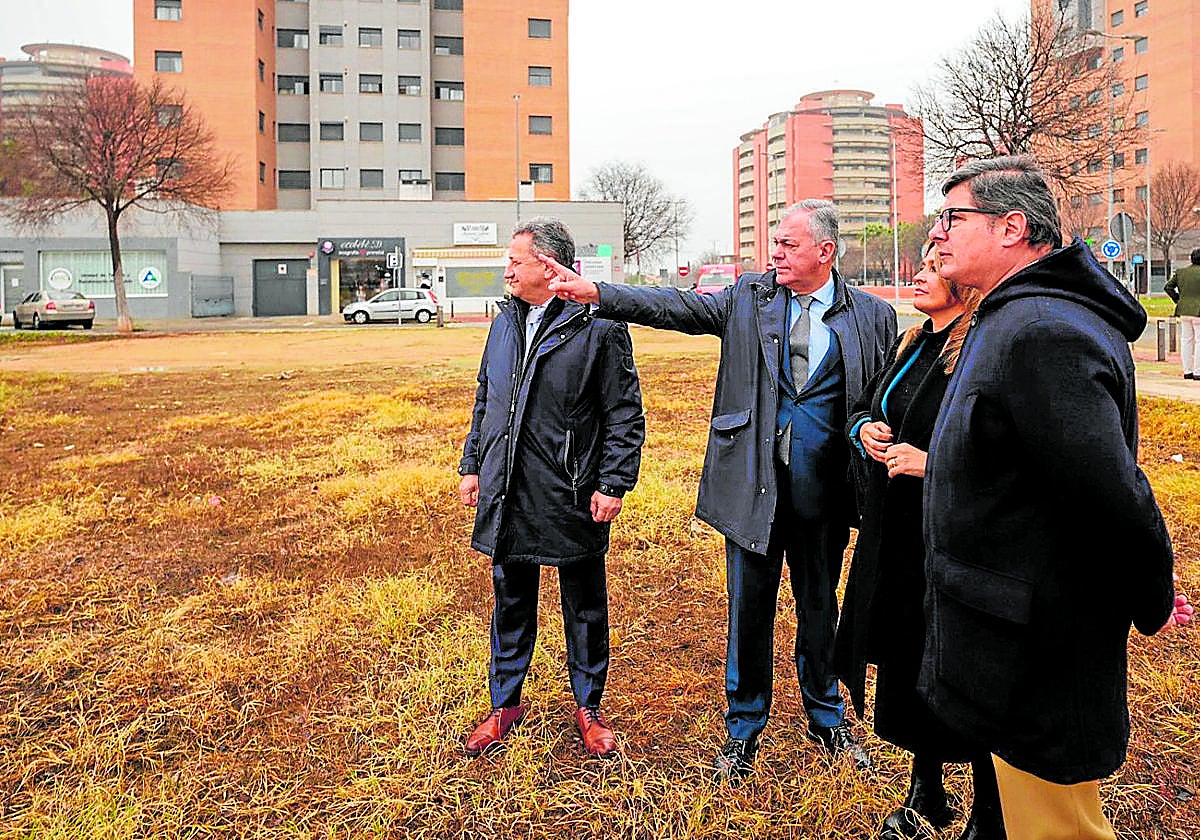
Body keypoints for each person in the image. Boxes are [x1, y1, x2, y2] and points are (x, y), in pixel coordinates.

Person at [540, 200, 896, 781]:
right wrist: (598, 293)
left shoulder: (872, 316)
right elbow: (675, 306)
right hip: (751, 490)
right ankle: (743, 728)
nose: (775, 253)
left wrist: (867, 430)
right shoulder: (749, 298)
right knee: (748, 613)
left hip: (825, 496)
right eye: (775, 243)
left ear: (825, 252)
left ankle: (827, 717)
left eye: (788, 244)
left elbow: (878, 396)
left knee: (819, 609)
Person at [918, 155, 1190, 840]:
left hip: (1037, 647)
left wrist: (1152, 594)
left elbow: (1110, 491)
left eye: (952, 217)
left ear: (1012, 227)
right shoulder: (1010, 317)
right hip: (1007, 633)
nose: (937, 234)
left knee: (1058, 828)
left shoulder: (1041, 331)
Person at [458, 217, 645, 759]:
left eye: (516, 261)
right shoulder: (504, 323)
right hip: (508, 486)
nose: (507, 271)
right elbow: (487, 398)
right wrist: (473, 464)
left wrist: (613, 482)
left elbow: (624, 413)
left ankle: (589, 706)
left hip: (570, 489)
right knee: (510, 599)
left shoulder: (599, 326)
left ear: (548, 265)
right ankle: (504, 703)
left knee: (584, 604)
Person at [834, 247, 1001, 840]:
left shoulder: (979, 350)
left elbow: (998, 449)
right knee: (911, 663)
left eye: (931, 270)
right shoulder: (912, 343)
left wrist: (932, 464)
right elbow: (864, 406)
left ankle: (989, 810)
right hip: (899, 538)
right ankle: (925, 789)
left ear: (962, 287)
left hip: (953, 538)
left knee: (960, 669)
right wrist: (865, 430)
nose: (919, 276)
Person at [1164, 247, 1200, 380]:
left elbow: (1168, 287)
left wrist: (1178, 300)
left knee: (1186, 340)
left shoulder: (1181, 272)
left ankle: (1187, 371)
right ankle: (1198, 372)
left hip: (1183, 311)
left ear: (1191, 259)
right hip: (1198, 312)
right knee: (1199, 341)